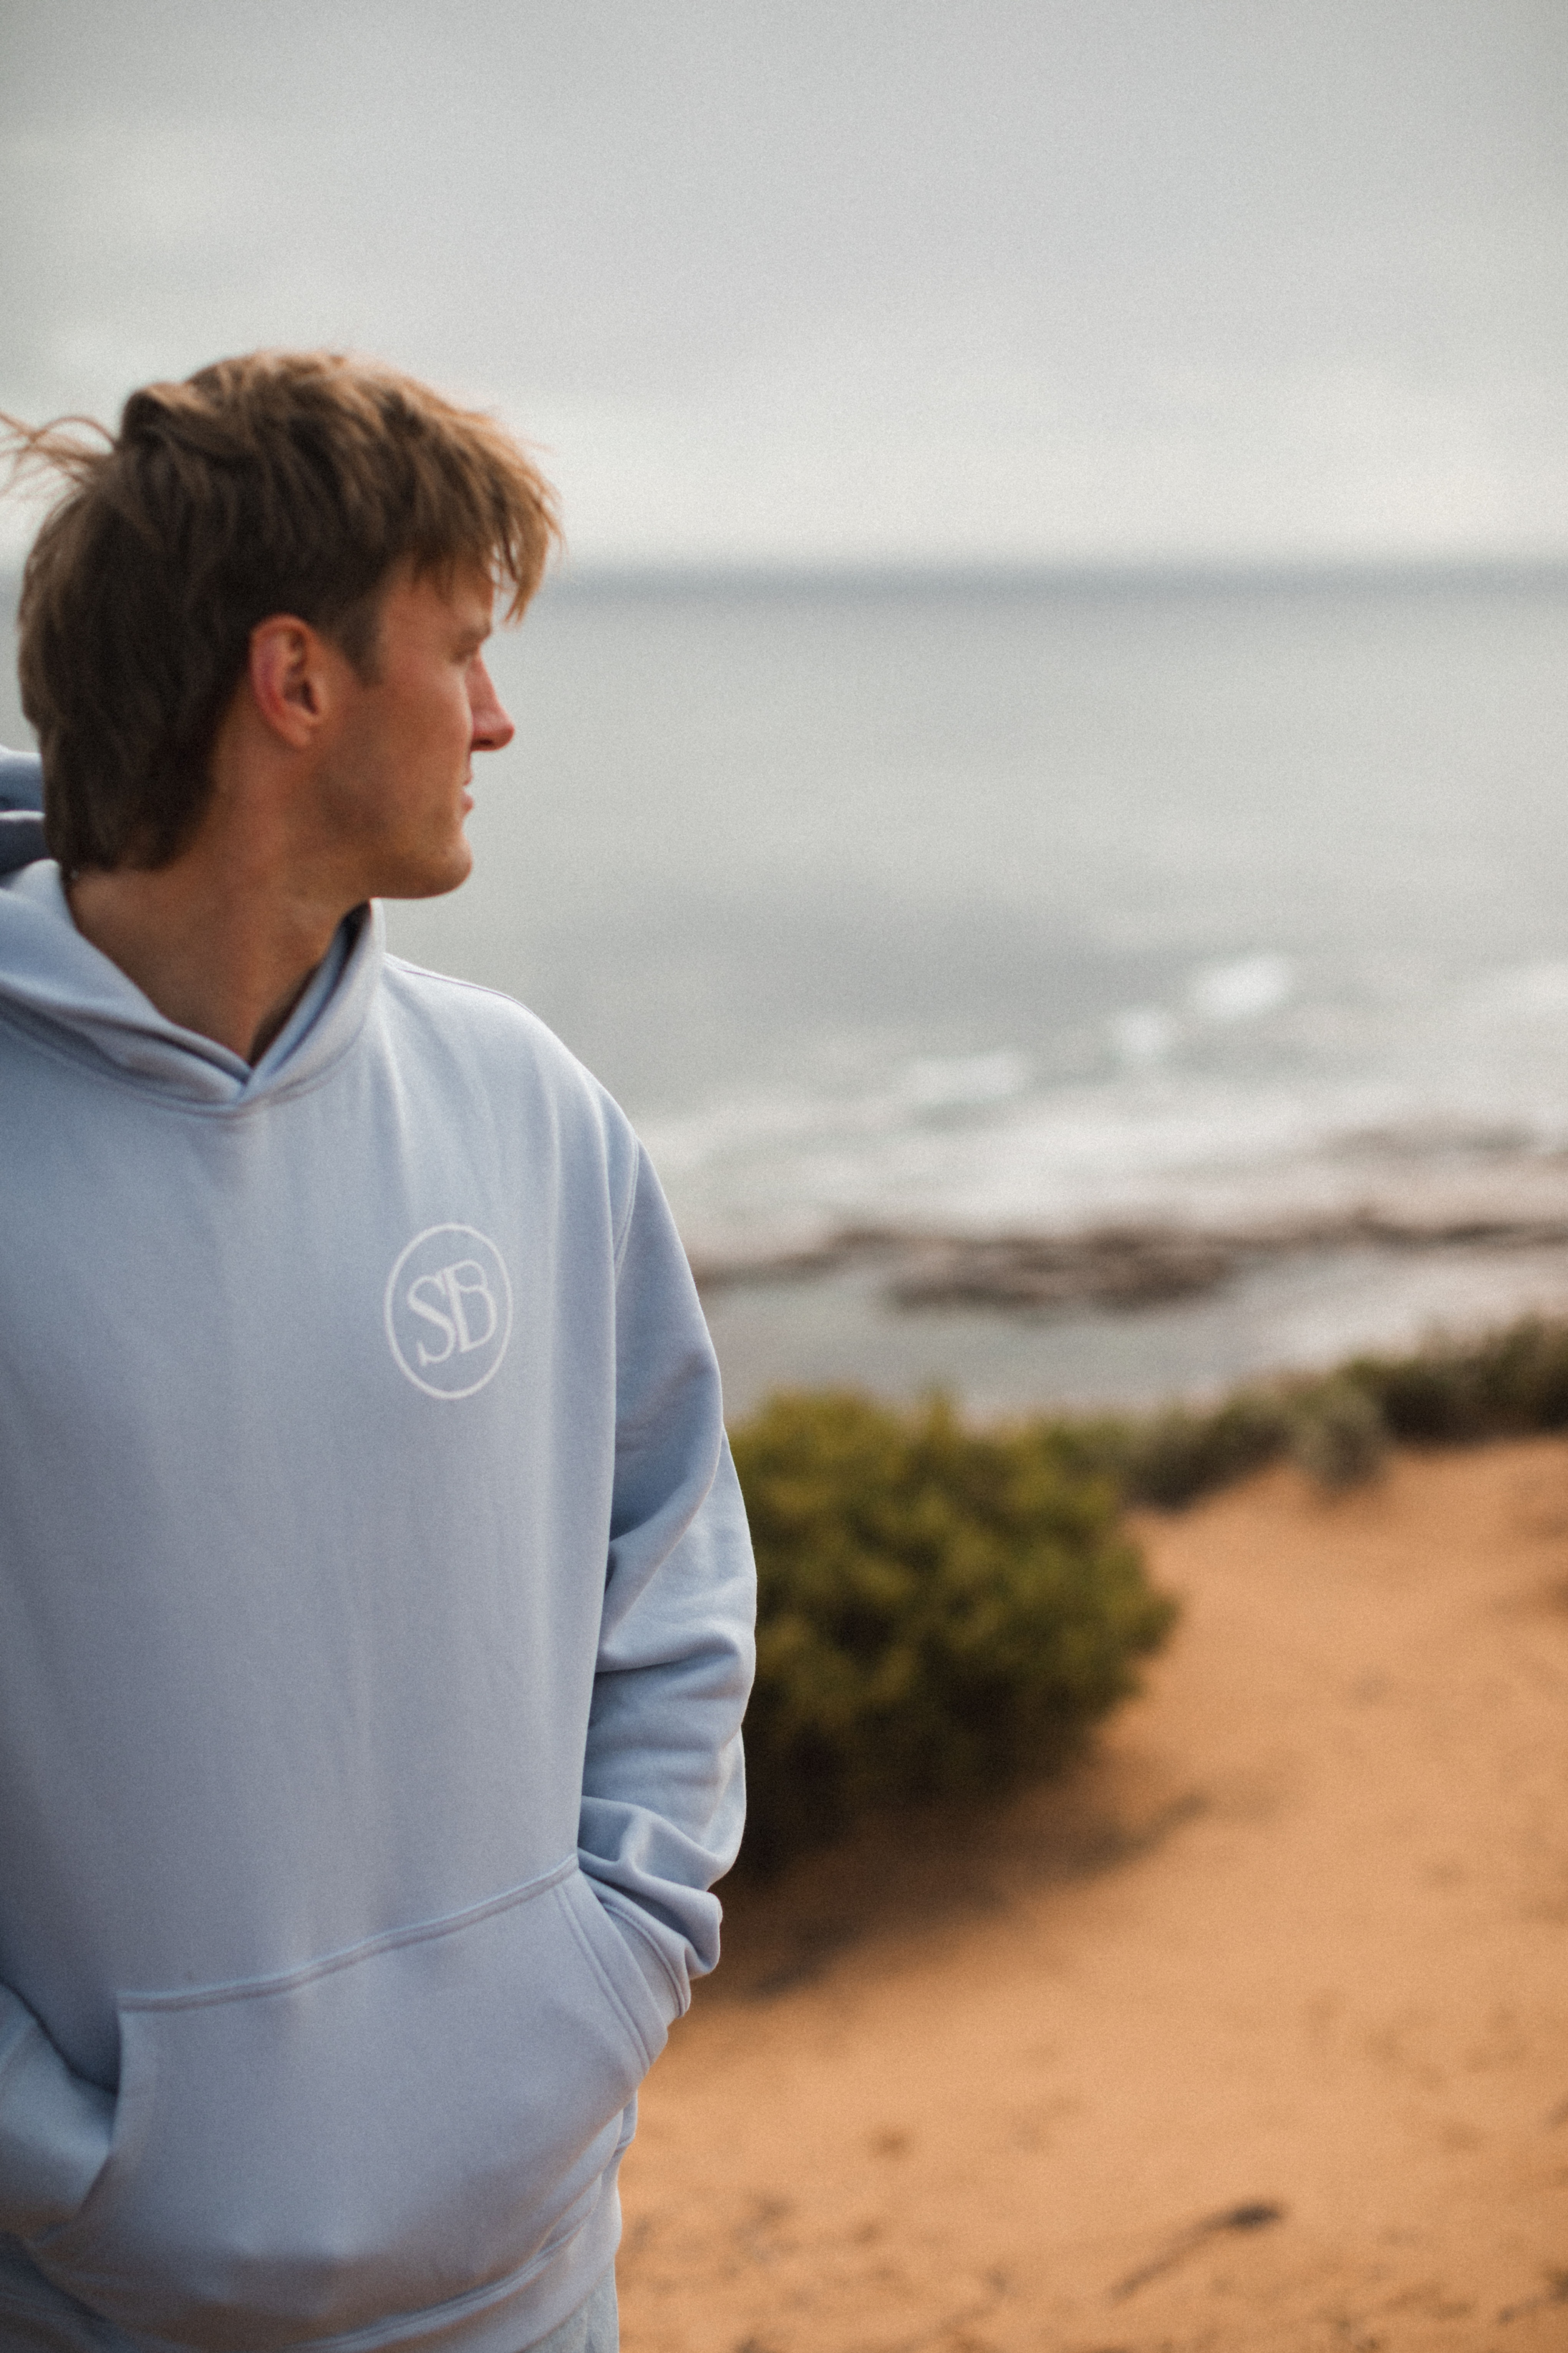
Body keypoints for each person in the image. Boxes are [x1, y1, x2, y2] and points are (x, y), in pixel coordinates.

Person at [0, 353, 755, 2353]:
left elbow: (673, 1572)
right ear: (297, 682)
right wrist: (70, 2161)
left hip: (531, 2277)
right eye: (463, 649)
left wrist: (604, 1977)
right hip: (92, 2300)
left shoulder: (529, 1107)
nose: (498, 718)